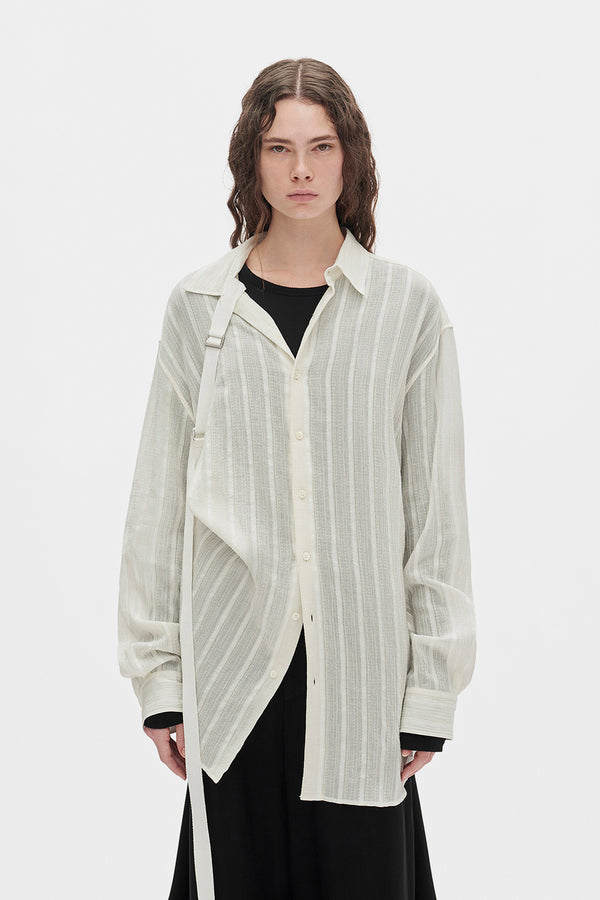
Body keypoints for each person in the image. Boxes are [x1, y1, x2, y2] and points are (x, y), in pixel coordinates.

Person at [118, 57, 476, 900]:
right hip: (234, 673)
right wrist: (161, 682)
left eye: (322, 147)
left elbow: (435, 509)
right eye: (280, 148)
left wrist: (430, 689)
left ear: (352, 158)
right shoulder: (199, 309)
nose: (302, 170)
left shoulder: (407, 310)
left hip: (362, 678)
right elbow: (159, 502)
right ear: (252, 159)